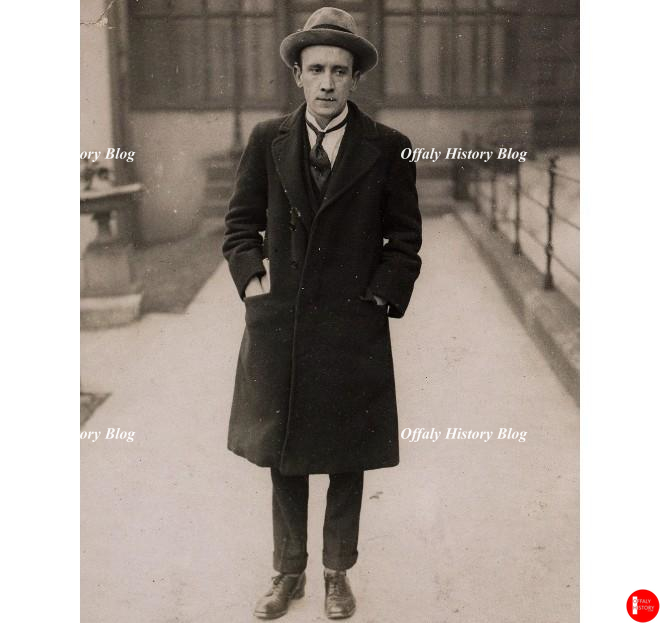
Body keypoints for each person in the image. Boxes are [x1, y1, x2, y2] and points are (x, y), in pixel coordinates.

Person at [222, 6, 422, 619]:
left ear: (356, 78)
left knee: (345, 454)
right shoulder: (268, 140)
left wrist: (378, 299)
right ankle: (288, 572)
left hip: (350, 327)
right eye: (316, 70)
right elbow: (239, 226)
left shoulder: (390, 148)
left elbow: (404, 241)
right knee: (282, 455)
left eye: (339, 71)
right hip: (281, 323)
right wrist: (255, 283)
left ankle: (337, 573)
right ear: (298, 76)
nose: (328, 83)